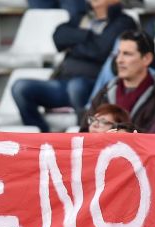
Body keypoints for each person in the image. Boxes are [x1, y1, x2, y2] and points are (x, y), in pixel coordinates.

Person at [11, 0, 136, 132]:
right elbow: (59, 36)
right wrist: (88, 36)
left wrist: (73, 45)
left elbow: (100, 51)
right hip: (63, 83)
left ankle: (81, 133)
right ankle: (43, 136)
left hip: (94, 86)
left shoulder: (123, 22)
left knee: (76, 86)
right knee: (20, 87)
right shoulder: (83, 17)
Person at [81, 30, 155, 132]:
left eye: (127, 54)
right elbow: (83, 131)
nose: (119, 60)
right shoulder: (106, 91)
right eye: (118, 53)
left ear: (147, 58)